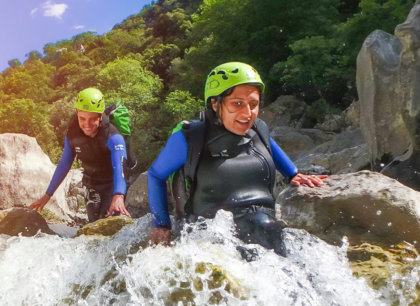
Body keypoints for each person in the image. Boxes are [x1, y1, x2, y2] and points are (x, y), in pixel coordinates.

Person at [146, 62, 326, 256]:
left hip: (263, 226)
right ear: (215, 103)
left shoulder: (259, 130)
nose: (247, 114)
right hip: (209, 239)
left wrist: (293, 174)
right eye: (237, 103)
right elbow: (156, 176)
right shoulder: (189, 138)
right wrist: (162, 224)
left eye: (254, 104)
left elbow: (271, 148)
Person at [29, 87, 132, 222]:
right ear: (77, 113)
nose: (86, 124)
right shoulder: (73, 134)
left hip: (114, 181)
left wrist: (119, 195)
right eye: (82, 118)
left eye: (92, 119)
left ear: (100, 116)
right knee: (94, 224)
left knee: (113, 222)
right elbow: (64, 164)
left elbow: (120, 167)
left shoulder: (112, 136)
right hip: (92, 182)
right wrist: (47, 195)